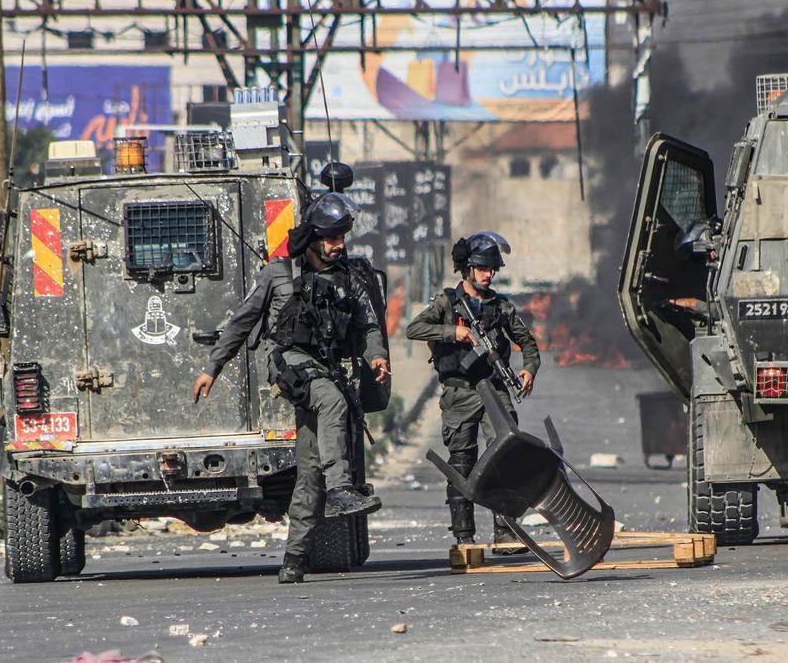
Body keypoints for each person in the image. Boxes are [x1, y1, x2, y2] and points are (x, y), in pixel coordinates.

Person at [191, 192, 390, 583]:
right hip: (291, 366)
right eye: (332, 239)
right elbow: (242, 322)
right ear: (314, 238)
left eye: (343, 238)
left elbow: (368, 325)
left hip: (331, 367)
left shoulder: (349, 276)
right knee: (331, 403)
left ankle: (293, 559)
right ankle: (341, 490)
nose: (340, 246)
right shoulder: (280, 273)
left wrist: (378, 356)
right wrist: (211, 368)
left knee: (310, 470)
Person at [405, 231, 540, 550]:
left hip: (495, 390)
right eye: (482, 268)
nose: (488, 274)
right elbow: (415, 328)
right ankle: (463, 536)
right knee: (462, 462)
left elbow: (528, 343)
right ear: (468, 268)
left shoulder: (502, 307)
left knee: (505, 456)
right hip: (460, 392)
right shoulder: (447, 303)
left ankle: (506, 531)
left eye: (492, 269)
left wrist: (528, 368)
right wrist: (455, 332)